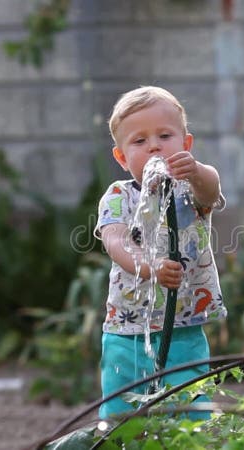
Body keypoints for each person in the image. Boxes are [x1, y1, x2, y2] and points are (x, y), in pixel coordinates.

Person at [93, 86, 227, 420]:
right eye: (139, 141)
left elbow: (212, 188)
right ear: (122, 157)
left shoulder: (190, 189)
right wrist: (150, 265)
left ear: (186, 144)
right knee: (122, 418)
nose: (154, 146)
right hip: (127, 332)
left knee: (192, 410)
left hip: (185, 327)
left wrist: (195, 171)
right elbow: (116, 240)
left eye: (165, 136)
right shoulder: (117, 196)